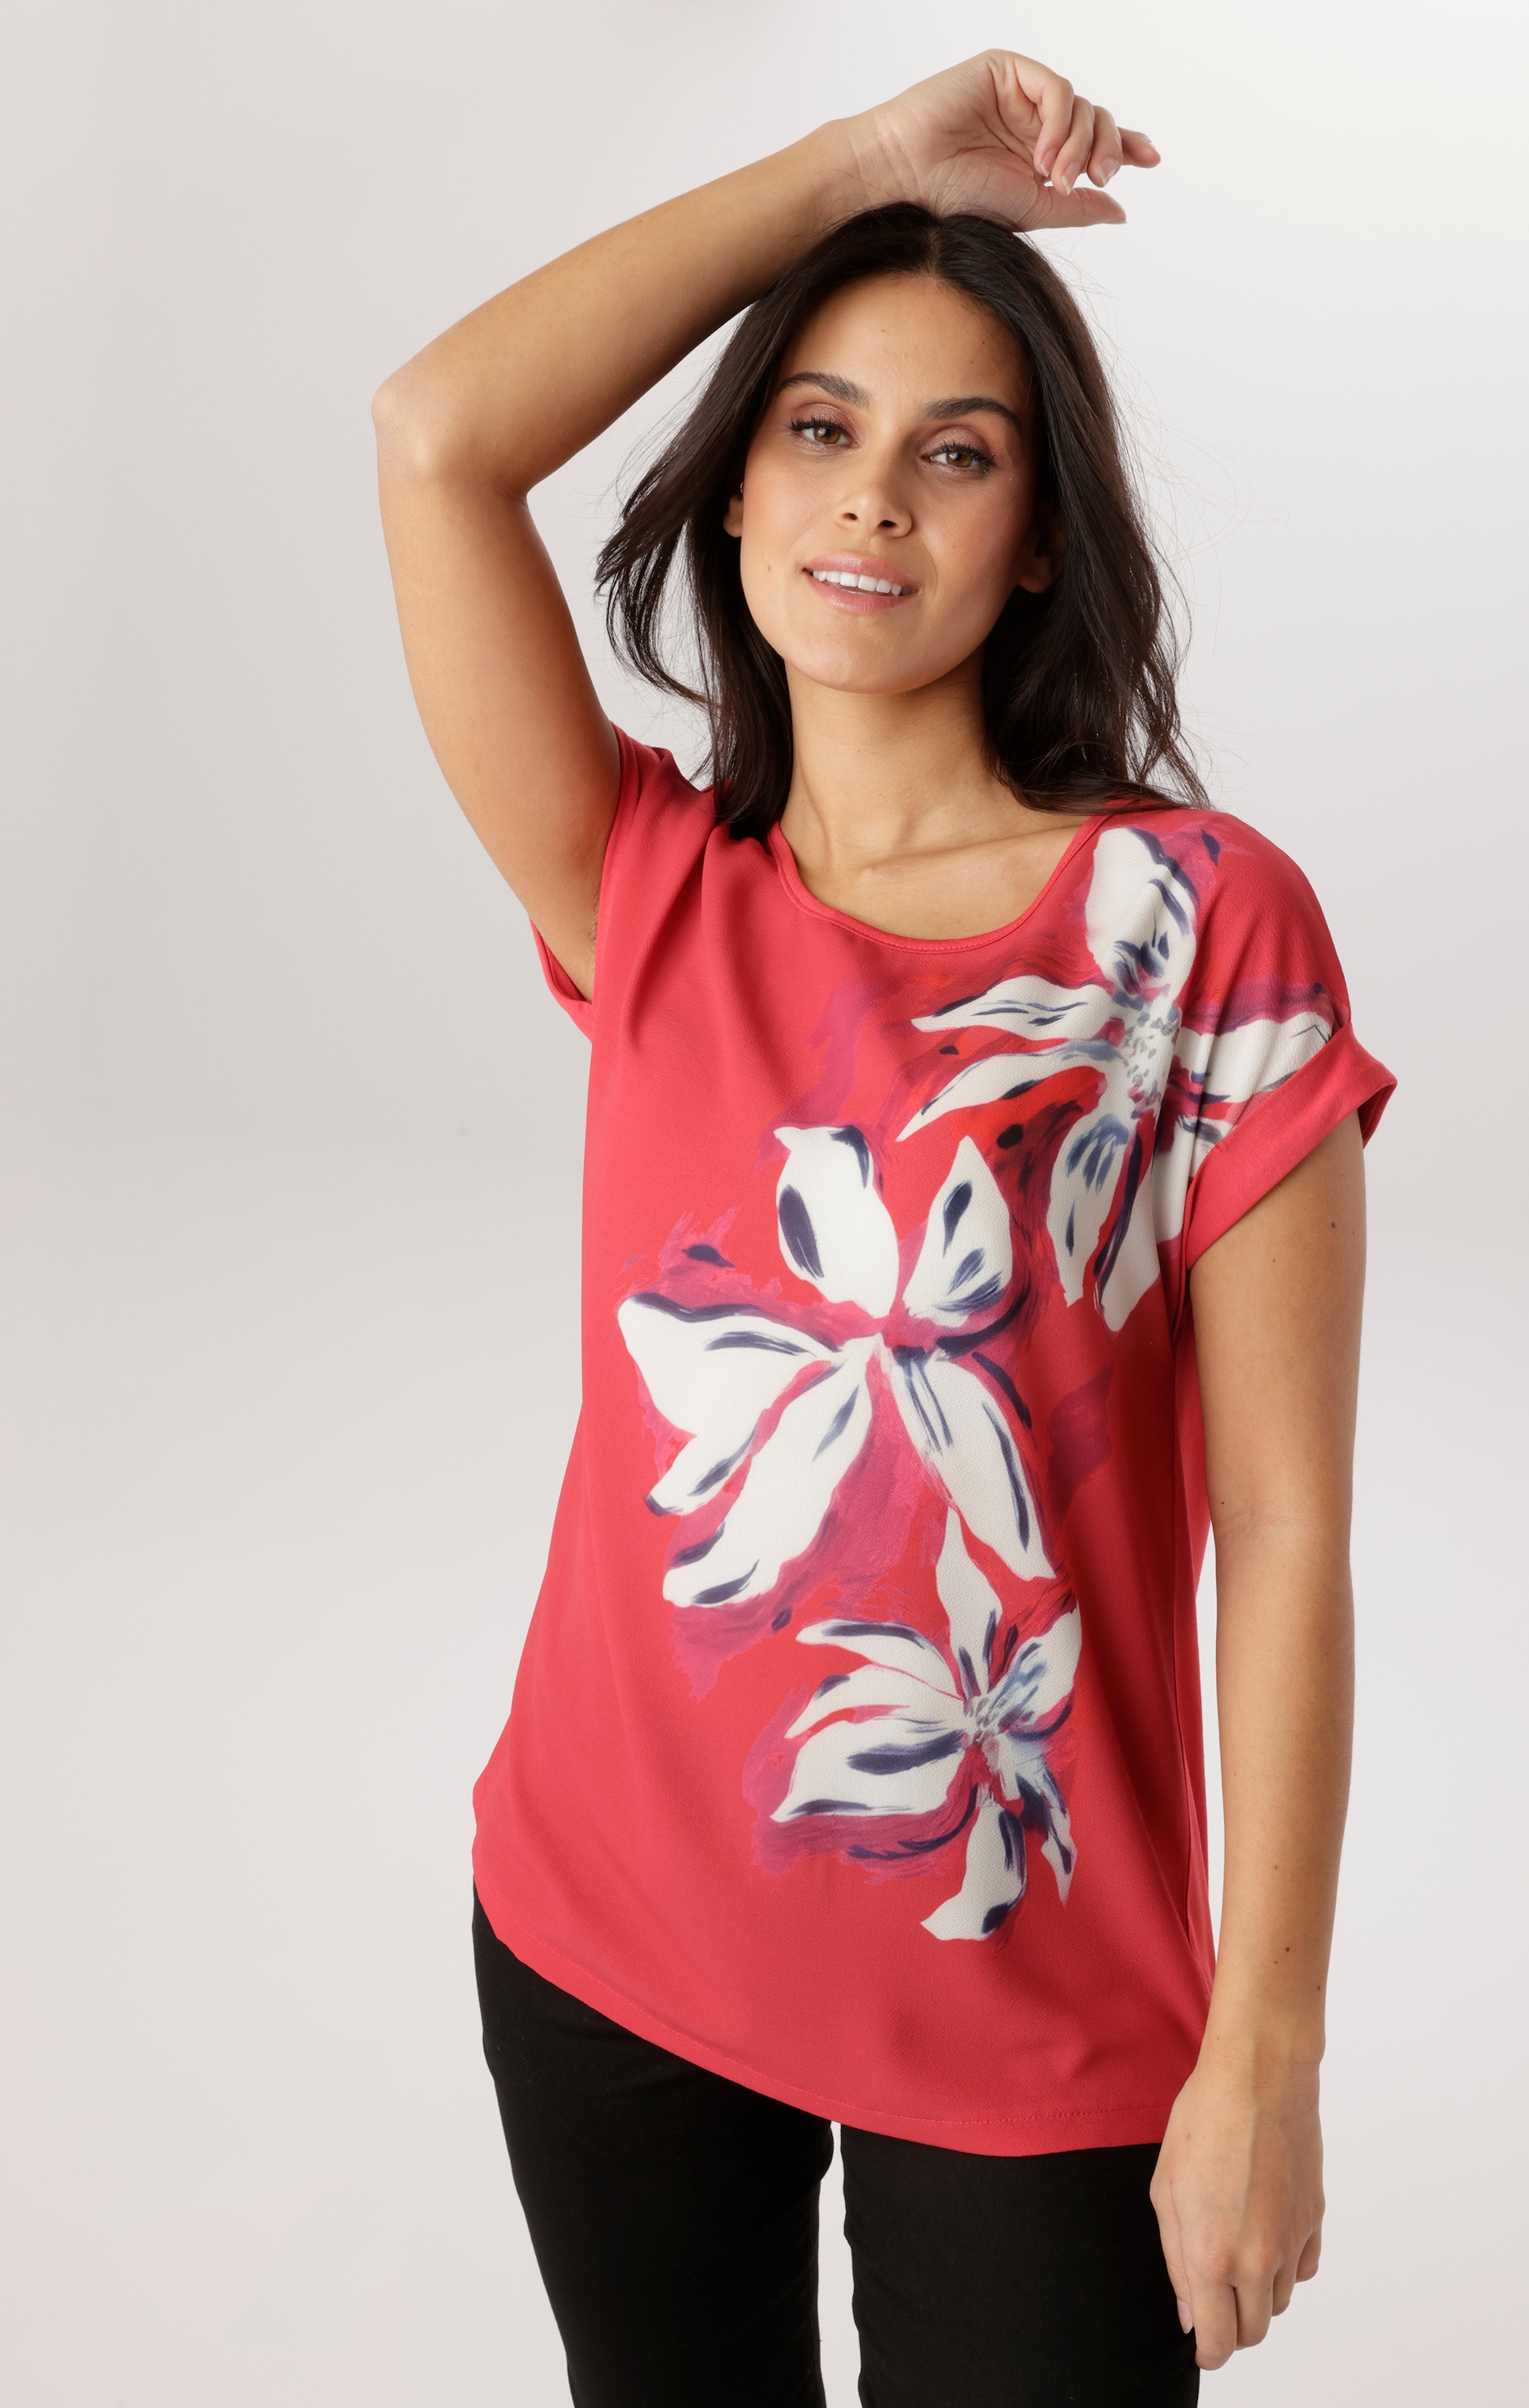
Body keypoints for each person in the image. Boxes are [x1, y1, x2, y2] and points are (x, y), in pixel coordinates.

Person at [372, 48, 1394, 2407]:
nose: (871, 495)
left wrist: (1267, 2049)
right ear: (737, 489)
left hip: (1041, 2004)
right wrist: (861, 169)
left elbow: (1288, 1530)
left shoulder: (1198, 931)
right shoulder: (647, 890)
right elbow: (437, 434)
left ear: (1037, 537)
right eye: (818, 428)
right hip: (611, 1940)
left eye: (958, 451)